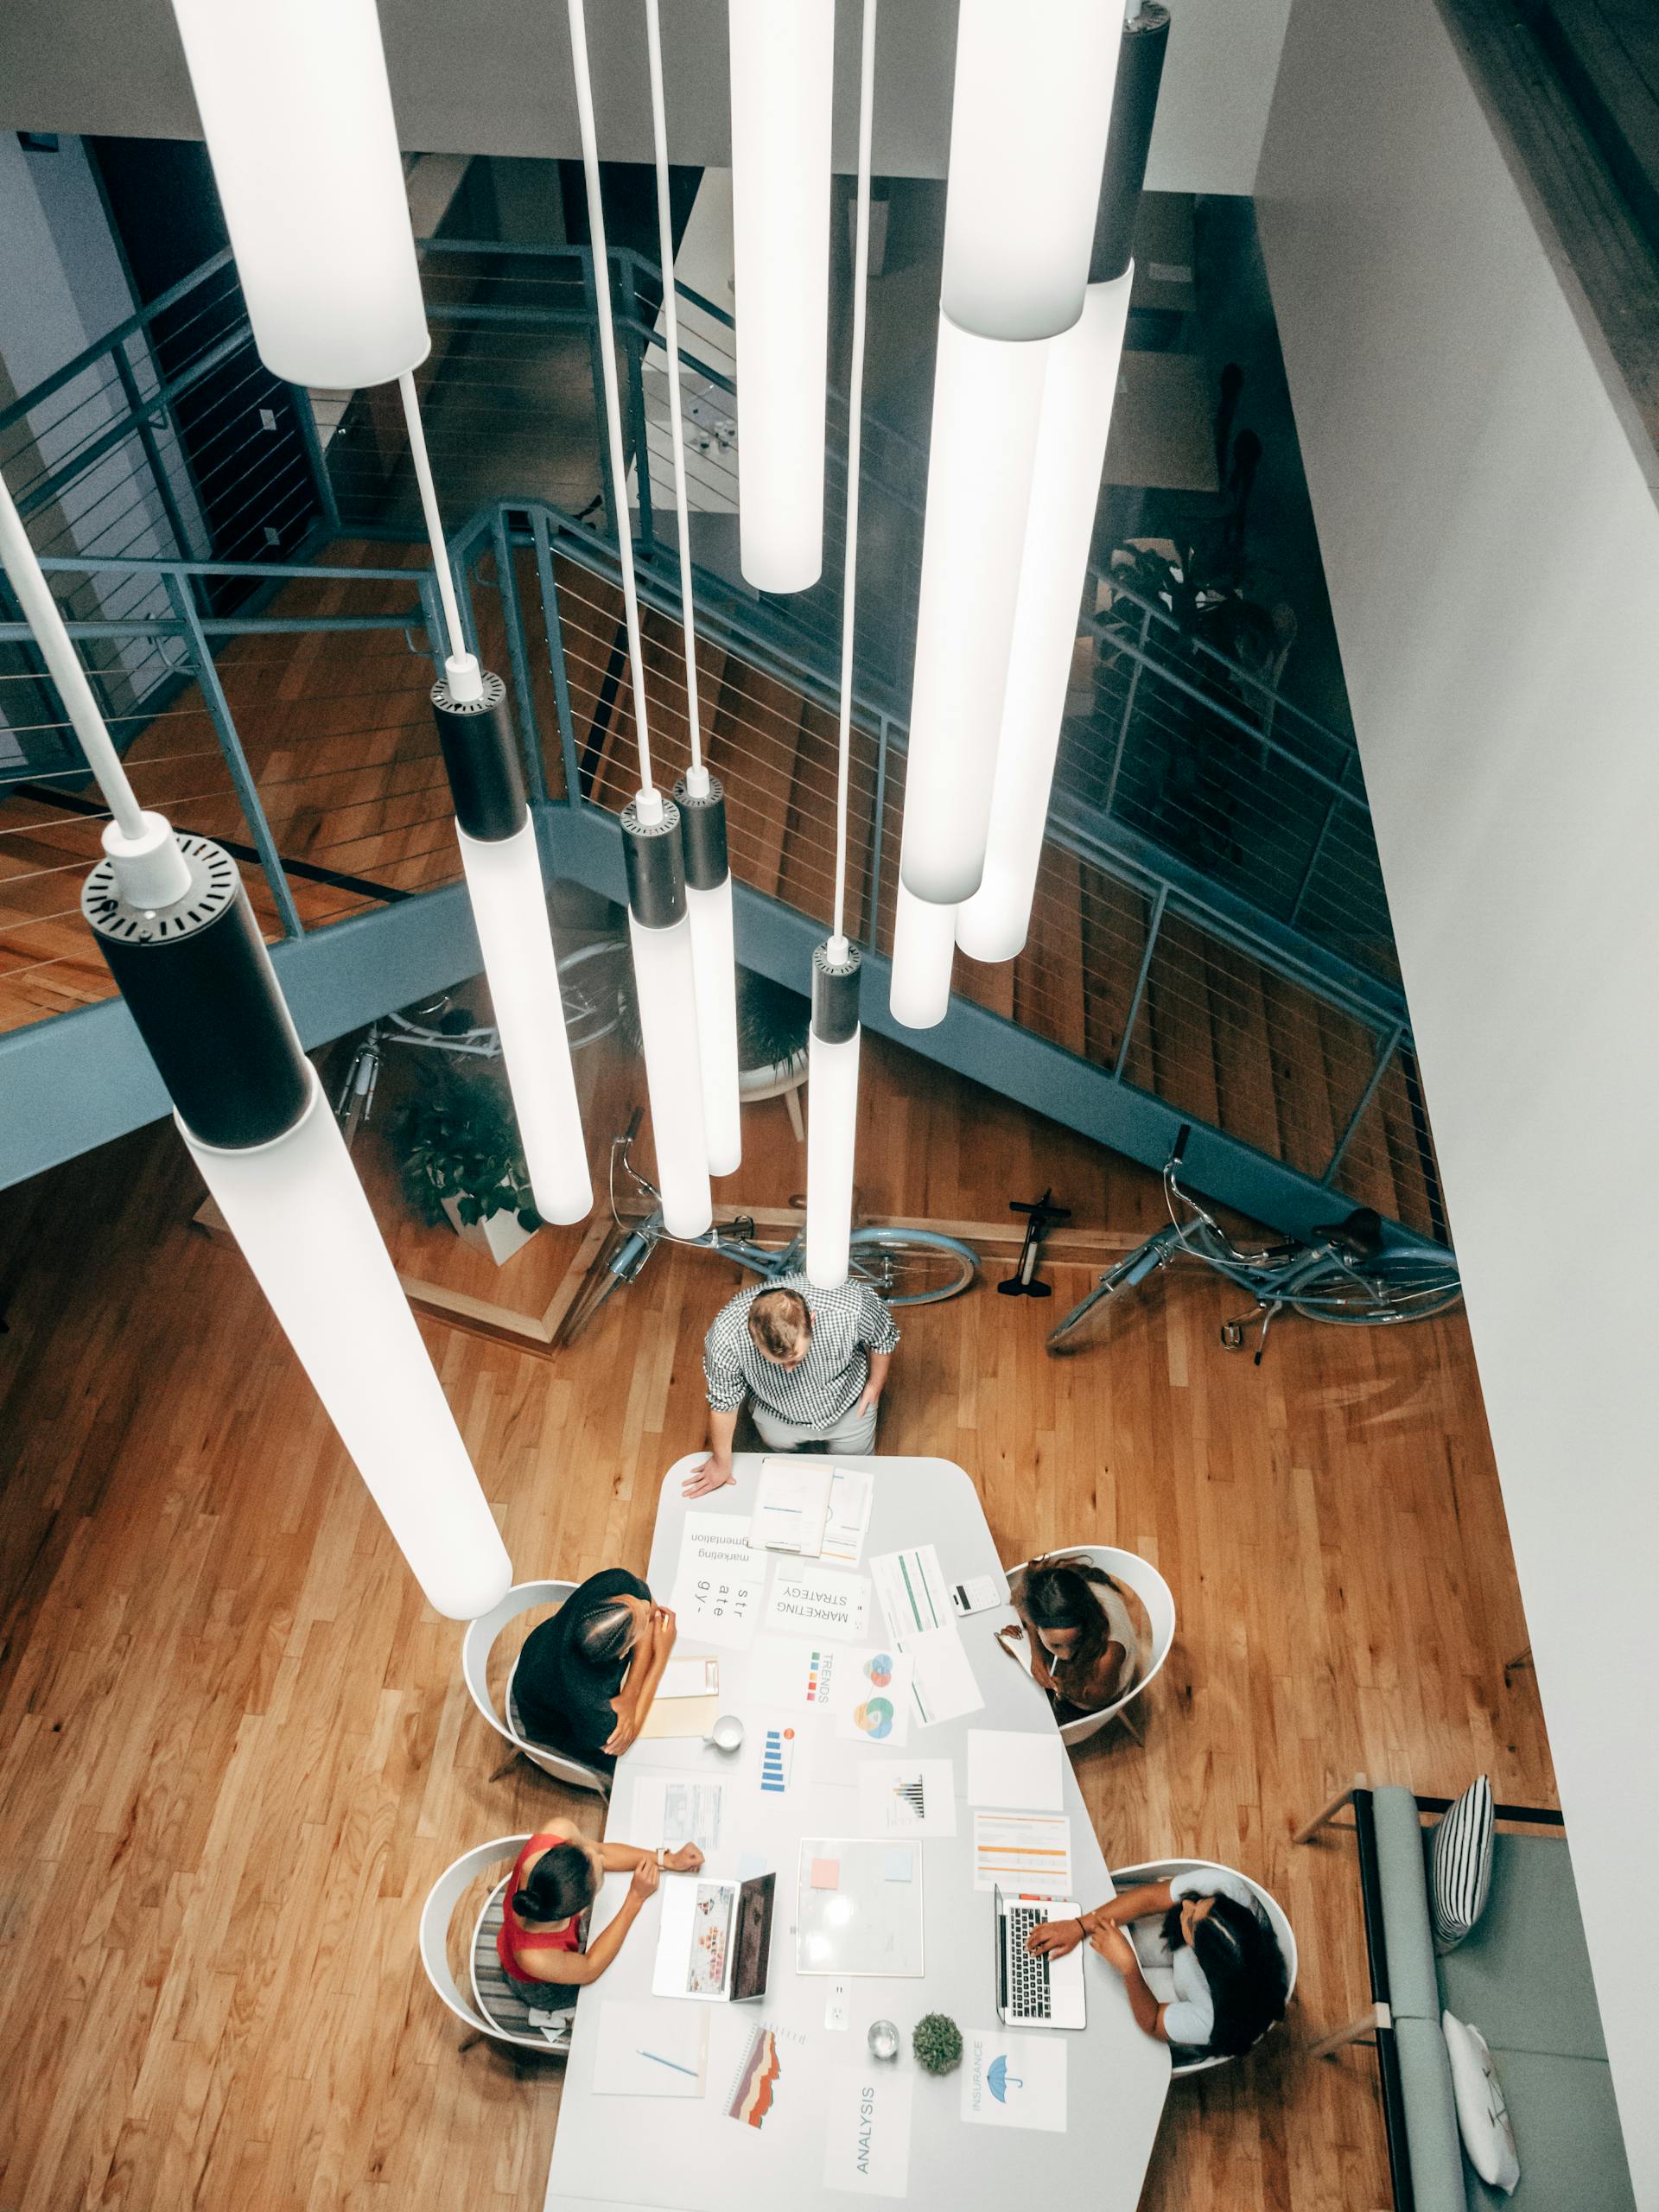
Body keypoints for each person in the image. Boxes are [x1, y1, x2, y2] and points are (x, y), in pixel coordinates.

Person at [1027, 1868, 1288, 2061]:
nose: (1187, 1904)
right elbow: (1151, 1899)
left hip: (1170, 2003)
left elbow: (1152, 2021)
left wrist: (1129, 1967)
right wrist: (1080, 1925)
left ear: (1201, 1959)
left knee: (1092, 2015)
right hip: (1170, 1948)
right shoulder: (1226, 1890)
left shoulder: (1217, 2019)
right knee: (1090, 1954)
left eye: (1190, 1919)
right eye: (1200, 1905)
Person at [683, 1273, 899, 1500]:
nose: (789, 1370)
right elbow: (724, 1404)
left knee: (857, 1472)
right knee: (787, 1469)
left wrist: (875, 1386)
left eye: (795, 1358)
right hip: (775, 1415)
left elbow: (883, 1337)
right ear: (753, 1337)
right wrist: (721, 1461)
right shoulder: (726, 1338)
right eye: (778, 1362)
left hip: (849, 1407)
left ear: (812, 1320)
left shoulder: (849, 1305)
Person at [496, 1820, 703, 1993]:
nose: (599, 1855)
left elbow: (603, 1852)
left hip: (546, 1946)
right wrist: (635, 1898)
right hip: (540, 1980)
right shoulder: (534, 1958)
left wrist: (668, 1860)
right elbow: (589, 1968)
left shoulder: (557, 1832)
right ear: (582, 1911)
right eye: (600, 1872)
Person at [513, 1569, 677, 1773]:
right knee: (644, 1757)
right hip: (551, 1724)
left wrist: (629, 1695)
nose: (645, 1606)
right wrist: (661, 1656)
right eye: (642, 1618)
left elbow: (653, 1612)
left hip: (540, 1655)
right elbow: (622, 1742)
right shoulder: (593, 1705)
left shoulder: (616, 1583)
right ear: (623, 1653)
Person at [996, 1554, 1140, 1722]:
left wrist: (1033, 1662)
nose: (1066, 1655)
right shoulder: (1056, 1595)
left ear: (1088, 1622)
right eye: (1056, 1645)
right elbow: (1027, 1614)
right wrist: (1035, 1652)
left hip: (1093, 1694)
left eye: (1076, 1641)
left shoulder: (1108, 1657)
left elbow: (1094, 1698)